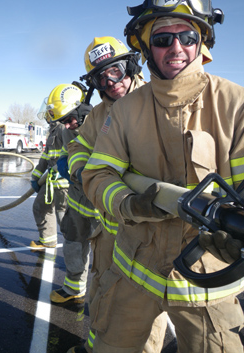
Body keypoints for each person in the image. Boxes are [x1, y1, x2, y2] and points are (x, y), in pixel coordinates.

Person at [81, 1, 244, 352]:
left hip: (206, 283)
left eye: (187, 35)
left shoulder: (236, 103)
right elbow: (98, 174)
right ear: (145, 47)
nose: (176, 47)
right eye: (162, 38)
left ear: (202, 41)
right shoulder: (124, 111)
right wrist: (129, 203)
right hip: (131, 273)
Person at [67, 36, 167, 353]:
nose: (111, 83)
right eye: (101, 78)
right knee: (101, 291)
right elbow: (78, 145)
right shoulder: (98, 115)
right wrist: (80, 168)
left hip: (152, 231)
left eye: (116, 71)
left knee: (144, 308)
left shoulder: (159, 99)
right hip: (110, 230)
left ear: (131, 65)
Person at [48, 82, 96, 304]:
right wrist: (65, 165)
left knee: (107, 257)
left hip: (102, 205)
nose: (66, 127)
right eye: (62, 122)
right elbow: (68, 152)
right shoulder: (70, 128)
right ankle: (74, 288)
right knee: (73, 243)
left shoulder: (106, 124)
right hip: (78, 200)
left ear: (83, 111)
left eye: (68, 120)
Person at [30, 97, 69, 249]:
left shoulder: (63, 128)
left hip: (64, 182)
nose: (46, 116)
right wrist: (36, 177)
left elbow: (74, 153)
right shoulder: (53, 130)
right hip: (51, 181)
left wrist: (62, 170)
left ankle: (75, 250)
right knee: (40, 207)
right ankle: (48, 240)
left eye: (48, 113)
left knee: (65, 219)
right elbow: (46, 157)